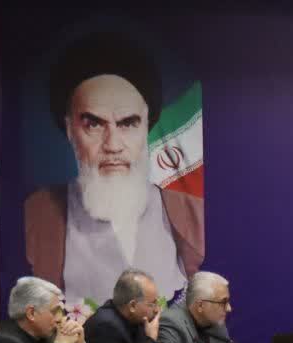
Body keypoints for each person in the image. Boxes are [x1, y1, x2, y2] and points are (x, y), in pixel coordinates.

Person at [24, 32, 203, 305]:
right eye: (94, 124)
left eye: (128, 123)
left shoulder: (189, 211)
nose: (113, 145)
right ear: (70, 129)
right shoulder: (38, 213)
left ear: (147, 127)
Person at [84, 268, 181, 343]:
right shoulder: (105, 326)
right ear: (132, 306)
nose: (157, 309)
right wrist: (151, 340)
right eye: (152, 304)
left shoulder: (138, 320)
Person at [157, 271, 238, 343]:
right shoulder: (170, 322)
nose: (229, 308)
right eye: (223, 302)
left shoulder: (217, 322)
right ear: (200, 305)